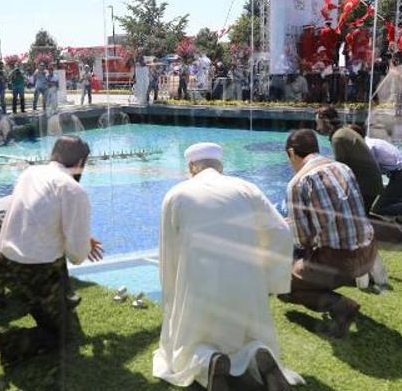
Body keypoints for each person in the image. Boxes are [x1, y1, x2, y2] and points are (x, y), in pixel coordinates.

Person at [154, 143, 302, 391]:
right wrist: (269, 279)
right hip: (245, 283)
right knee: (248, 335)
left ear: (192, 166)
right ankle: (257, 352)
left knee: (188, 344)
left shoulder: (177, 194)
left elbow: (168, 251)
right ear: (221, 166)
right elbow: (280, 231)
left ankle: (208, 360)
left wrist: (171, 295)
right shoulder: (247, 188)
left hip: (199, 286)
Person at [0, 135, 104, 380]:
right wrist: (81, 241)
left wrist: (77, 236)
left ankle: (16, 350)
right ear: (80, 161)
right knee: (62, 335)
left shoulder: (30, 174)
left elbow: (38, 217)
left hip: (2, 262)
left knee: (50, 310)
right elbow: (77, 255)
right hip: (34, 272)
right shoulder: (73, 189)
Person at [278, 129, 376, 337]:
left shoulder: (298, 183)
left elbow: (301, 240)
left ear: (292, 152)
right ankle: (360, 279)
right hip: (368, 254)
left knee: (282, 283)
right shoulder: (343, 168)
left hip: (337, 261)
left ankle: (341, 306)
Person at [315, 106, 383, 211]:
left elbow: (340, 173)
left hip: (366, 188)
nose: (317, 128)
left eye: (318, 123)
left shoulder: (338, 138)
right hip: (371, 185)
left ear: (326, 121)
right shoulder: (344, 132)